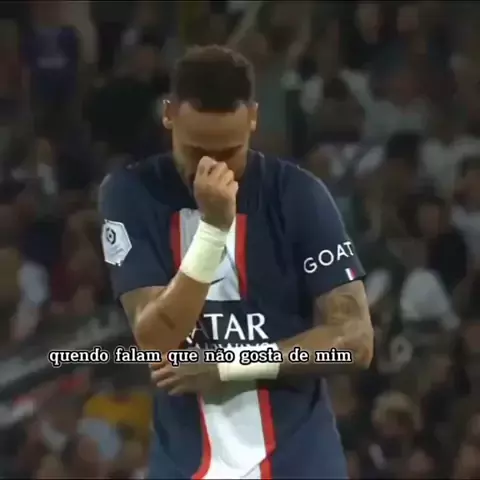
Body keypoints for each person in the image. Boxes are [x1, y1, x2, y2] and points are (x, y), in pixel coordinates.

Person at [99, 45, 374, 479]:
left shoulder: (299, 195)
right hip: (188, 464)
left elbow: (356, 341)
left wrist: (233, 366)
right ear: (169, 114)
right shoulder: (131, 194)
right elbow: (157, 339)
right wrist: (213, 231)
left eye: (230, 151)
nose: (211, 167)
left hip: (298, 464)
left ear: (253, 119)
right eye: (196, 150)